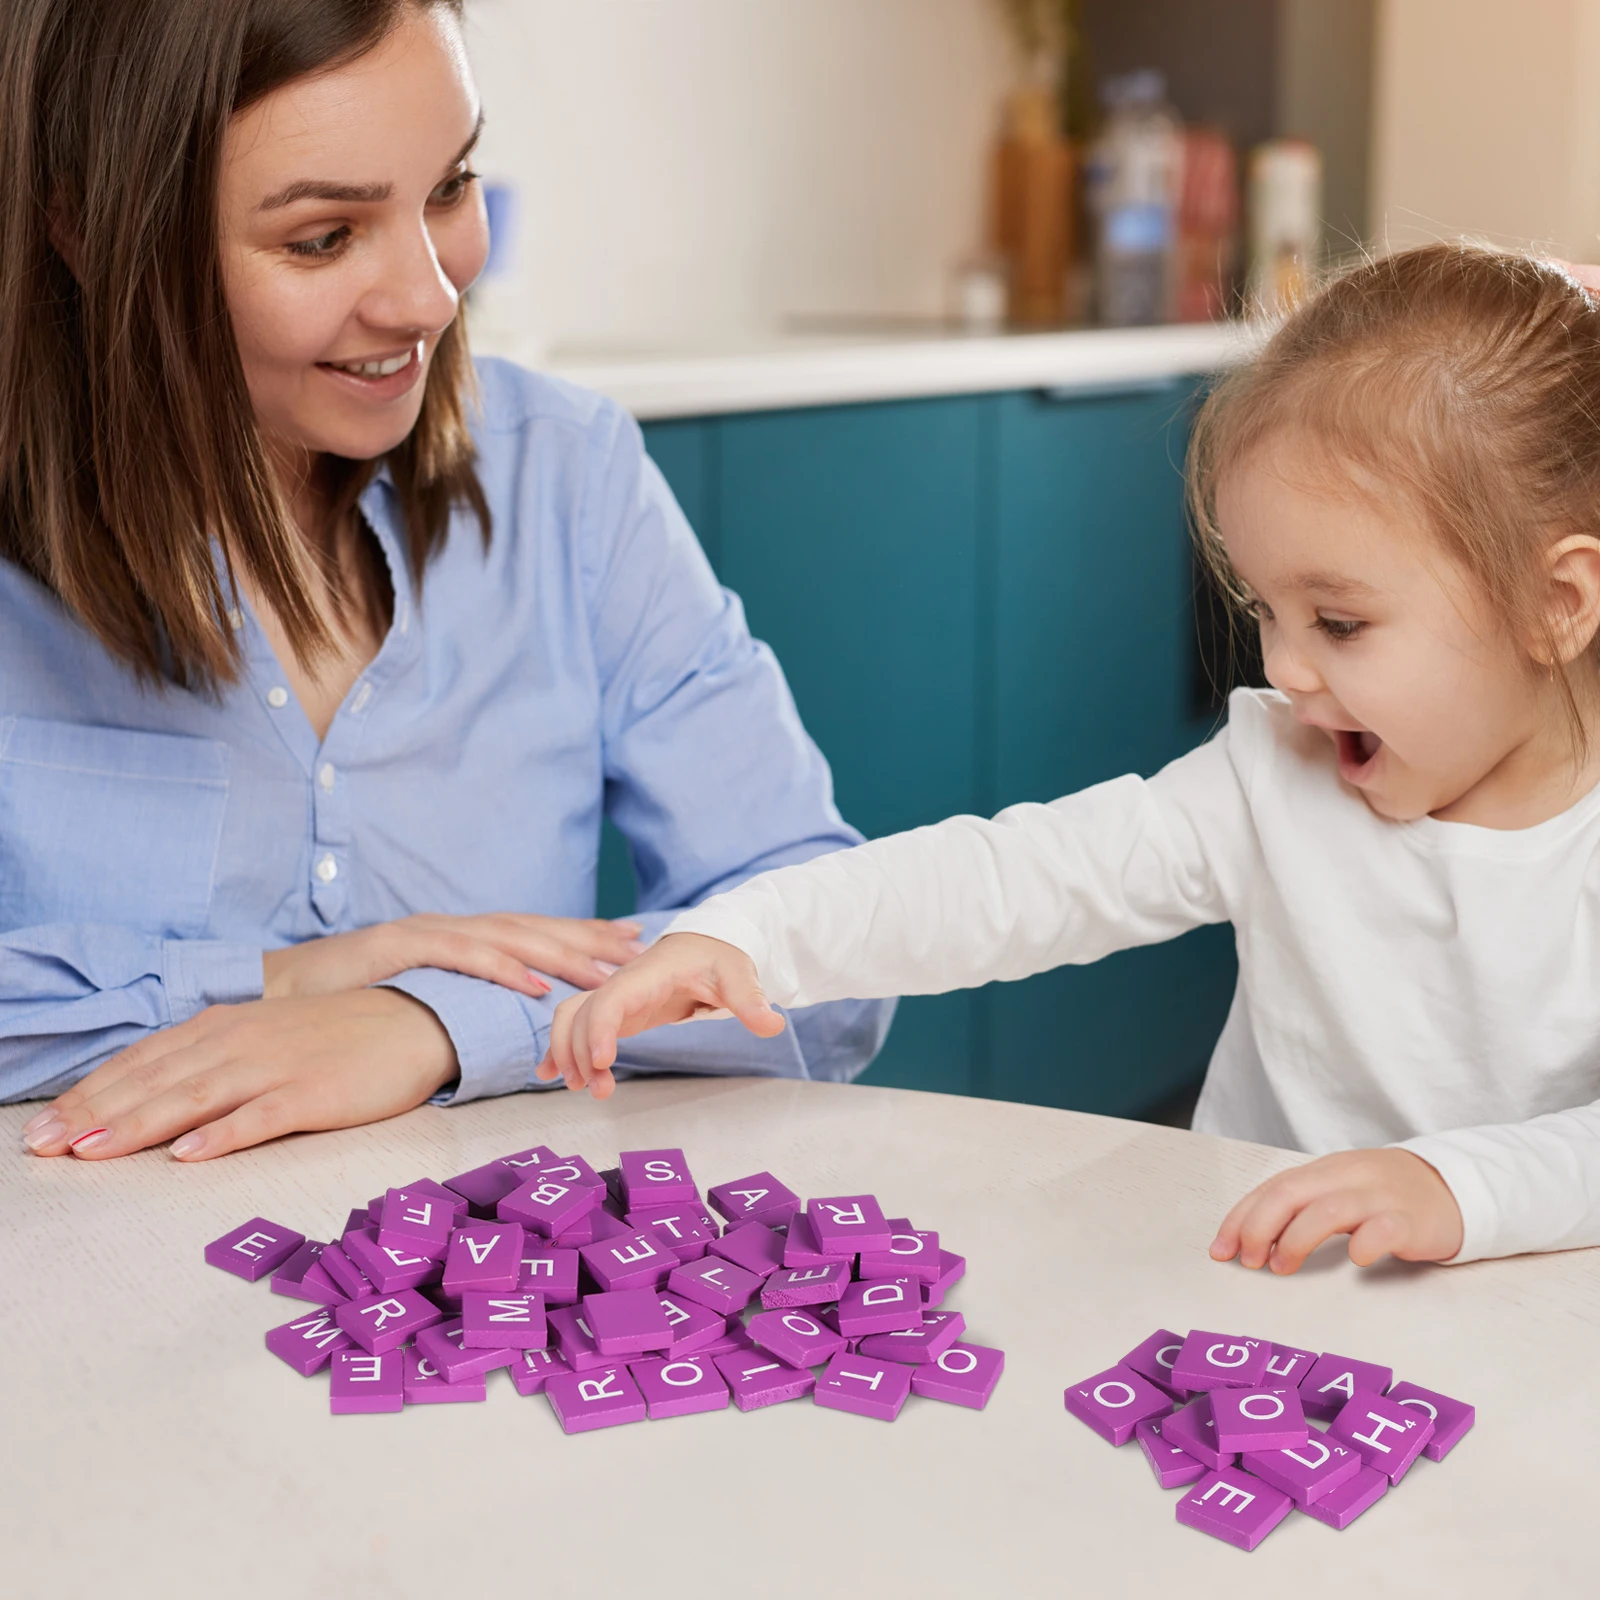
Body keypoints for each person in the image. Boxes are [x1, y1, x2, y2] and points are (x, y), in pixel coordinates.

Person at [544, 244, 1600, 1273]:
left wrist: (1452, 1187)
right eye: (1263, 610)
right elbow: (1011, 879)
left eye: (1339, 621)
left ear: (1555, 604)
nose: (1284, 666)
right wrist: (746, 931)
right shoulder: (1274, 773)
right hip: (1266, 1302)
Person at [6, 0, 892, 1162]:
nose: (430, 297)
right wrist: (281, 981)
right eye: (323, 237)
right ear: (83, 227)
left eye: (449, 187)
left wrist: (433, 1021)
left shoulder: (567, 476)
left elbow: (832, 953)